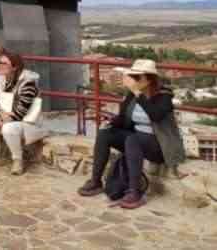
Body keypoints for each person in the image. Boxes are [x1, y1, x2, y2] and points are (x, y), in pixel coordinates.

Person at [77, 59, 185, 209]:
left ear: (149, 78)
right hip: (137, 139)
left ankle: (134, 192)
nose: (133, 80)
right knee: (105, 134)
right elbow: (123, 118)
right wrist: (111, 123)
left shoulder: (164, 95)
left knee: (133, 139)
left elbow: (156, 115)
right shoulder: (132, 95)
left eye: (137, 77)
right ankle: (95, 182)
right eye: (132, 76)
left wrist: (138, 93)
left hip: (160, 145)